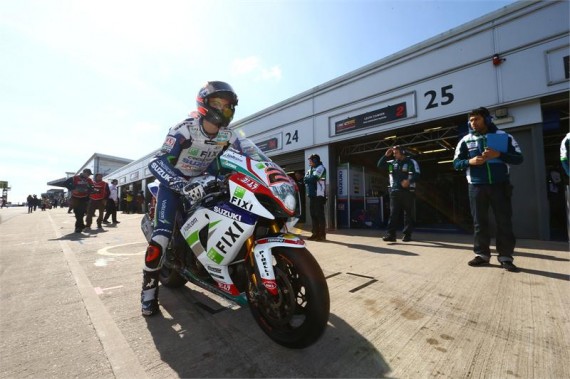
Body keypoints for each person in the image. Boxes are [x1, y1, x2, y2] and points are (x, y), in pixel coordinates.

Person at [140, 81, 238, 316]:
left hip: (205, 184)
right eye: (217, 103)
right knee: (160, 238)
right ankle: (148, 294)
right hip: (174, 184)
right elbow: (157, 161)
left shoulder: (229, 135)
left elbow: (244, 159)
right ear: (204, 103)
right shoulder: (184, 129)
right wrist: (178, 184)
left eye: (228, 105)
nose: (223, 109)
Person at [453, 107, 523, 272]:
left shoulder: (504, 137)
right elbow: (456, 163)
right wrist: (469, 162)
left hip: (500, 186)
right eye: (470, 120)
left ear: (487, 119)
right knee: (479, 223)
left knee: (504, 222)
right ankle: (482, 255)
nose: (473, 123)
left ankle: (505, 257)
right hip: (476, 186)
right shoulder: (465, 140)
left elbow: (519, 158)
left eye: (476, 119)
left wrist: (498, 155)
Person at [377, 145, 420, 242]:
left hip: (408, 191)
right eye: (393, 153)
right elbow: (379, 165)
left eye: (396, 153)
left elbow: (417, 174)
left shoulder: (411, 162)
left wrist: (409, 181)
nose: (394, 155)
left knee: (407, 214)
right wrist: (385, 156)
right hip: (394, 191)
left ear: (403, 152)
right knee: (393, 214)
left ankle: (407, 235)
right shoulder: (392, 163)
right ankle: (391, 235)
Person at [304, 154, 327, 241]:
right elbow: (305, 179)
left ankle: (321, 235)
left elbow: (314, 178)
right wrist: (309, 179)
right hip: (312, 195)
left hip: (319, 195)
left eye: (311, 160)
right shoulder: (310, 169)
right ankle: (315, 234)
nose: (309, 162)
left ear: (315, 160)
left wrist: (309, 179)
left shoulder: (321, 168)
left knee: (319, 215)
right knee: (313, 215)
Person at [65, 168, 95, 233]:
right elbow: (65, 183)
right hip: (75, 197)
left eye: (89, 174)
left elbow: (92, 186)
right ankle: (81, 225)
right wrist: (72, 189)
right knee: (76, 212)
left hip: (84, 198)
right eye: (88, 174)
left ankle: (78, 227)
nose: (89, 176)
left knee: (81, 213)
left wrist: (91, 189)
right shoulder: (74, 178)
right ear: (84, 172)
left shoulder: (89, 180)